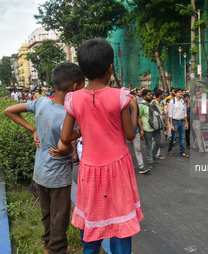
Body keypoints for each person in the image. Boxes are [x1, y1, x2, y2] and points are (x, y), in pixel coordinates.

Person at [56, 38, 143, 253]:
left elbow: (66, 137)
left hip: (89, 170)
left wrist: (84, 130)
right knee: (120, 223)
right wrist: (134, 110)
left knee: (92, 220)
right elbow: (130, 134)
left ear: (83, 72)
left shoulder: (73, 99)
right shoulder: (120, 96)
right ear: (110, 68)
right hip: (118, 168)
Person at [4, 62, 85, 254]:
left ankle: (50, 245)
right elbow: (64, 144)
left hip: (40, 171)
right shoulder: (69, 114)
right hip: (58, 176)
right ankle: (56, 250)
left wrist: (33, 129)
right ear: (75, 87)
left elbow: (9, 111)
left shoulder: (41, 102)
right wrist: (80, 133)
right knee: (60, 216)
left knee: (47, 213)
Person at [139, 89, 163, 169]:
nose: (151, 96)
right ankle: (150, 161)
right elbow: (138, 117)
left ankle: (153, 155)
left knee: (158, 142)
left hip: (156, 127)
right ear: (144, 96)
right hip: (147, 128)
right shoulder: (141, 105)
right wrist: (141, 129)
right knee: (148, 145)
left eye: (151, 95)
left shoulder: (154, 102)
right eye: (149, 95)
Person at [168, 88, 189, 157]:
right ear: (176, 93)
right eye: (179, 92)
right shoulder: (172, 101)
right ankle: (170, 149)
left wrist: (186, 122)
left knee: (182, 137)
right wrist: (171, 124)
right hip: (175, 122)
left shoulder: (183, 101)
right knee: (173, 137)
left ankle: (182, 152)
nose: (180, 93)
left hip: (182, 121)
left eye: (181, 92)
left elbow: (185, 113)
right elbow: (170, 114)